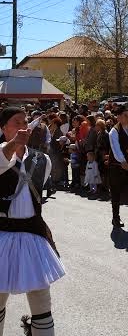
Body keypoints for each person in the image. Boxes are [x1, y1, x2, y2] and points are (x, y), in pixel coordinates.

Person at [0, 107, 65, 335]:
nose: (22, 125)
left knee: (42, 303)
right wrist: (13, 146)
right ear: (3, 128)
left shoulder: (41, 159)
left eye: (25, 121)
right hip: (2, 236)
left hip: (32, 235)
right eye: (16, 121)